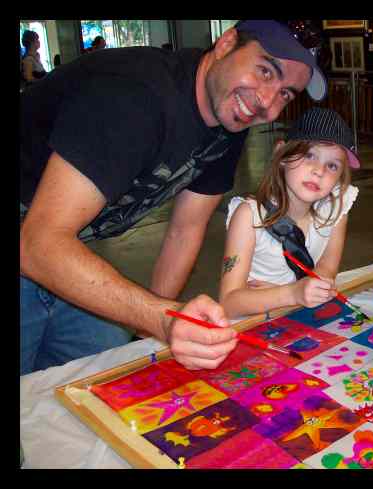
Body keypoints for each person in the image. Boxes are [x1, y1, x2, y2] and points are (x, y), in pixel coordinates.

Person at [20, 20, 328, 375]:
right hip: (40, 241)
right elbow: (39, 245)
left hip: (62, 244)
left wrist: (154, 326)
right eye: (264, 71)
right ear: (227, 44)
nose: (266, 103)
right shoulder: (133, 97)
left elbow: (186, 230)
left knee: (102, 377)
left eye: (286, 93)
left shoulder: (228, 120)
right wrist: (160, 320)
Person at [219, 107, 359, 318]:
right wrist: (293, 294)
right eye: (309, 155)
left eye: (332, 165)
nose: (318, 171)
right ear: (281, 154)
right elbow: (228, 302)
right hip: (252, 325)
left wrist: (311, 290)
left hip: (298, 320)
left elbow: (327, 268)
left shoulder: (335, 210)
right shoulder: (249, 217)